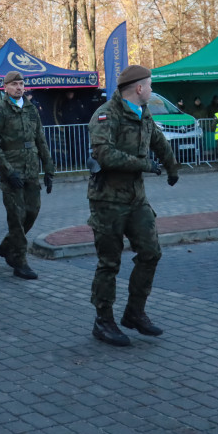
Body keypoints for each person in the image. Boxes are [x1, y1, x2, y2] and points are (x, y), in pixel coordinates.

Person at [87, 65, 180, 347]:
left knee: (151, 252)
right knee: (109, 263)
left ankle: (135, 313)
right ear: (139, 88)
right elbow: (104, 154)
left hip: (136, 198)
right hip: (108, 200)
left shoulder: (143, 112)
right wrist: (144, 164)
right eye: (149, 86)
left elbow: (157, 139)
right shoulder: (106, 114)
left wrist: (171, 166)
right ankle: (103, 321)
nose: (151, 90)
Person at [0, 70, 55, 281]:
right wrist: (7, 170)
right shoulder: (0, 111)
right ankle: (19, 261)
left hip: (31, 170)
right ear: (5, 87)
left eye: (21, 84)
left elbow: (41, 139)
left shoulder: (31, 109)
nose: (19, 88)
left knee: (32, 212)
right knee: (17, 217)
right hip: (12, 172)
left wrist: (49, 168)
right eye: (14, 84)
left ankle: (7, 246)